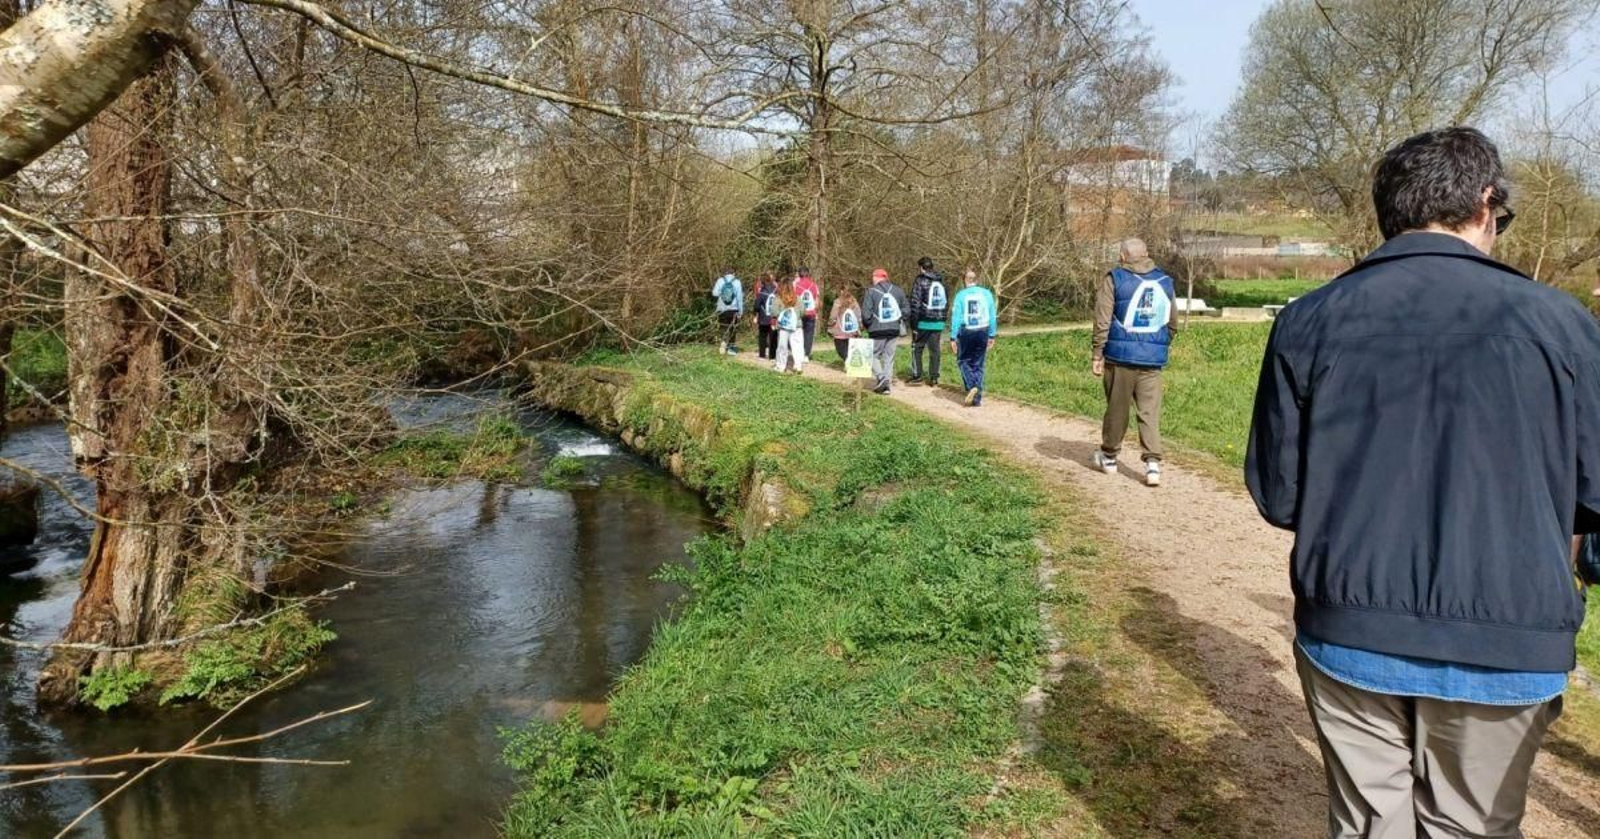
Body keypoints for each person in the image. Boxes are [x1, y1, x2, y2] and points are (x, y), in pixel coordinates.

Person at [1246, 127, 1600, 838]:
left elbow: (1279, 495)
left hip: (1352, 626)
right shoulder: (1565, 325)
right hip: (1509, 638)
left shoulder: (1309, 320)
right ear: (1483, 202)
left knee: (1372, 828)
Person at [1091, 238, 1176, 488]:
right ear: (1147, 253)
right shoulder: (1165, 281)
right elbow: (1172, 323)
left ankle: (1109, 457)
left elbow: (1102, 320)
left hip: (1120, 358)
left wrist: (1098, 353)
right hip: (1152, 360)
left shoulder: (1114, 279)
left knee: (1117, 408)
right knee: (1149, 411)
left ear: (1122, 256)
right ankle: (1152, 464)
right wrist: (1158, 345)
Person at [948, 269, 997, 407]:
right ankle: (976, 398)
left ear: (965, 280)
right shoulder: (986, 294)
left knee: (963, 360)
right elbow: (992, 315)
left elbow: (956, 317)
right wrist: (992, 334)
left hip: (967, 330)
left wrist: (953, 337)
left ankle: (972, 386)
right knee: (978, 363)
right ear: (976, 279)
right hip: (983, 329)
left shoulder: (960, 296)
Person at [859, 268, 907, 394]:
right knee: (889, 357)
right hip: (894, 329)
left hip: (877, 329)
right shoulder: (898, 291)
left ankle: (881, 378)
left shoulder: (871, 291)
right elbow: (907, 310)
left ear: (876, 277)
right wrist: (898, 319)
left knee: (872, 355)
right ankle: (886, 386)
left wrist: (868, 325)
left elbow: (866, 314)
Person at [906, 257, 948, 387]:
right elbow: (946, 302)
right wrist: (943, 318)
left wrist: (913, 324)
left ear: (922, 268)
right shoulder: (942, 281)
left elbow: (915, 303)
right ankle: (934, 377)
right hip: (938, 322)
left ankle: (917, 375)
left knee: (917, 348)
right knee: (935, 350)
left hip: (923, 321)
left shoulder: (920, 280)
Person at [771, 278, 806, 374]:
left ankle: (781, 366)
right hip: (797, 326)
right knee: (797, 346)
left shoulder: (778, 298)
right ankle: (798, 366)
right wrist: (796, 317)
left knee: (782, 346)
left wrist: (780, 315)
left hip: (783, 327)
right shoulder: (798, 298)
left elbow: (773, 312)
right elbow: (803, 312)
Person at [710, 268, 743, 355]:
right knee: (733, 328)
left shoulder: (720, 280)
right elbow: (739, 298)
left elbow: (714, 293)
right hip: (733, 309)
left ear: (725, 273)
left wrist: (722, 292)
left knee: (723, 327)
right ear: (733, 273)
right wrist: (741, 311)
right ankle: (731, 349)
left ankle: (723, 344)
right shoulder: (737, 282)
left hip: (722, 309)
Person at [795, 268, 823, 359]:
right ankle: (806, 354)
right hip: (811, 313)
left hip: (799, 313)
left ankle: (798, 352)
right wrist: (816, 312)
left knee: (798, 333)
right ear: (808, 274)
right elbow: (817, 301)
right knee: (809, 334)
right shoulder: (814, 285)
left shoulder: (796, 285)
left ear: (799, 275)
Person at [827, 290, 862, 362]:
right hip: (852, 331)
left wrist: (830, 326)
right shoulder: (854, 303)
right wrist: (859, 327)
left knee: (840, 349)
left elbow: (833, 316)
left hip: (839, 331)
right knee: (850, 348)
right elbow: (858, 317)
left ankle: (847, 360)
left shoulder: (837, 302)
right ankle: (850, 362)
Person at [751, 272, 779, 360]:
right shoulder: (776, 291)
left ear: (762, 282)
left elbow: (756, 306)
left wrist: (755, 312)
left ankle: (762, 355)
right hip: (774, 317)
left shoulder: (762, 292)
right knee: (773, 336)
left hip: (763, 317)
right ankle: (773, 356)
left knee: (762, 336)